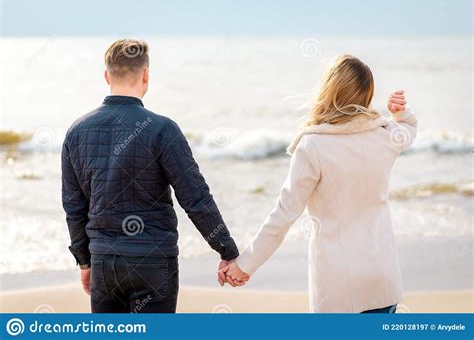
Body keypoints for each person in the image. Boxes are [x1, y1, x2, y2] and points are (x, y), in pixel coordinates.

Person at [219, 54, 417, 313]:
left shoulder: (312, 145)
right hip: (382, 279)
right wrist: (400, 113)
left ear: (330, 90)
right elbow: (409, 128)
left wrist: (244, 265)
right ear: (367, 95)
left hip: (337, 288)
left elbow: (284, 215)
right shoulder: (385, 136)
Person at [61, 39, 239, 313]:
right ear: (146, 75)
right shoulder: (162, 129)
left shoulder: (76, 132)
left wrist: (85, 262)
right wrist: (227, 251)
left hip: (104, 263)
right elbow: (195, 197)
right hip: (153, 262)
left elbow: (74, 206)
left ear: (107, 76)